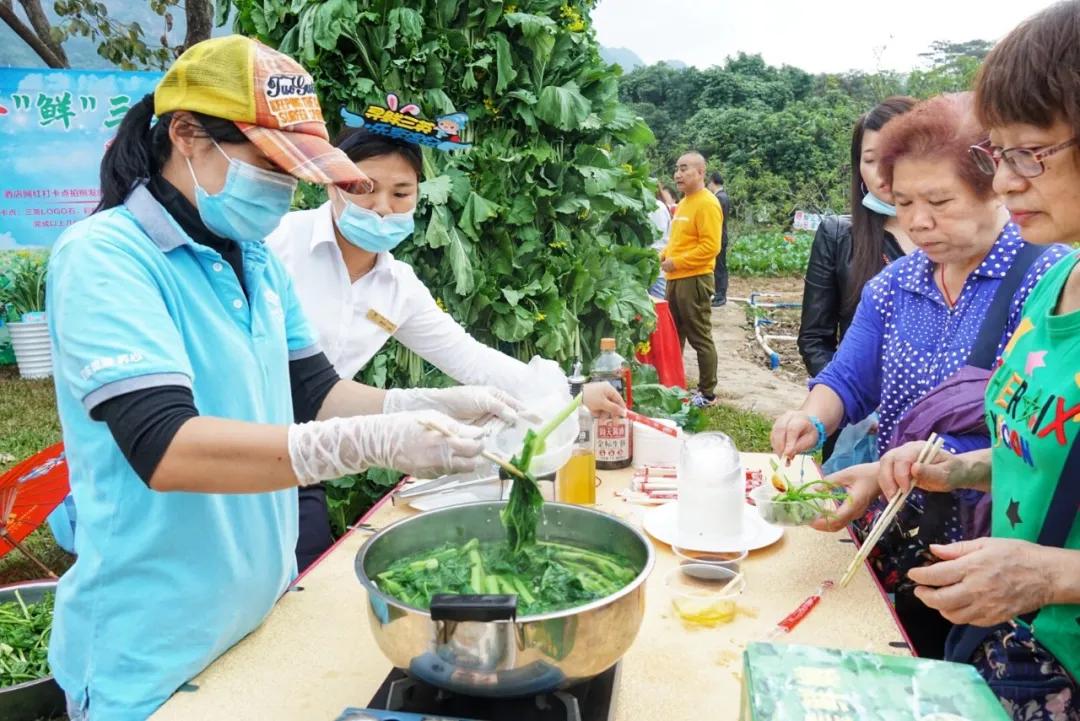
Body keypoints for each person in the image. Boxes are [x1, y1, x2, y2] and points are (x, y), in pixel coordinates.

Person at [48, 37, 518, 721]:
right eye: (268, 160)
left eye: (293, 167)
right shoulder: (105, 257)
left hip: (254, 618)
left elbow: (319, 395)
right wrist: (364, 445)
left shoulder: (257, 263)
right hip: (149, 655)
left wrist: (431, 405)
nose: (282, 184)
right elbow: (166, 446)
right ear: (186, 134)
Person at [771, 93, 1068, 657]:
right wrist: (811, 417)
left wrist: (934, 464)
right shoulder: (896, 284)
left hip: (998, 550)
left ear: (995, 187)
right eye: (903, 202)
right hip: (899, 524)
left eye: (940, 200)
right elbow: (849, 378)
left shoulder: (1046, 282)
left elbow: (1034, 432)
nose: (919, 222)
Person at [268, 128, 627, 568]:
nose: (382, 208)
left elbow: (468, 358)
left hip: (309, 450)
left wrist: (568, 397)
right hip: (235, 436)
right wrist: (420, 406)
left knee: (306, 579)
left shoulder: (397, 288)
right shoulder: (276, 244)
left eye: (401, 193)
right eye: (363, 188)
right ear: (331, 182)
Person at [877, 5, 1080, 716]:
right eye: (1000, 155)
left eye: (1032, 154)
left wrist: (1051, 574)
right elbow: (1040, 447)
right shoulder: (1059, 282)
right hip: (1021, 650)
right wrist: (957, 467)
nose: (1004, 183)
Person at [797, 97, 916, 381]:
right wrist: (846, 402)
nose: (883, 173)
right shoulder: (838, 236)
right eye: (871, 160)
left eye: (895, 156)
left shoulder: (954, 239)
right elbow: (815, 339)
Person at [661, 151, 722, 407]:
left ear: (700, 172)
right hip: (675, 278)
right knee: (674, 335)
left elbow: (711, 247)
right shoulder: (684, 203)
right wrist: (664, 256)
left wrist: (678, 262)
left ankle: (707, 393)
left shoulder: (707, 203)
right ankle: (674, 386)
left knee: (700, 337)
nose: (678, 174)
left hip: (695, 279)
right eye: (677, 169)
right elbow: (678, 242)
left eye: (685, 168)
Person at [706, 171, 732, 307]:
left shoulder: (719, 198)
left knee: (720, 268)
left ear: (712, 182)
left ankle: (720, 296)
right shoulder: (723, 196)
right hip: (721, 236)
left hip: (719, 237)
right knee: (719, 267)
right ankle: (719, 294)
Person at [647, 185, 672, 299]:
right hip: (653, 265)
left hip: (656, 264)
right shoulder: (658, 205)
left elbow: (659, 239)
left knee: (659, 306)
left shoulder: (656, 206)